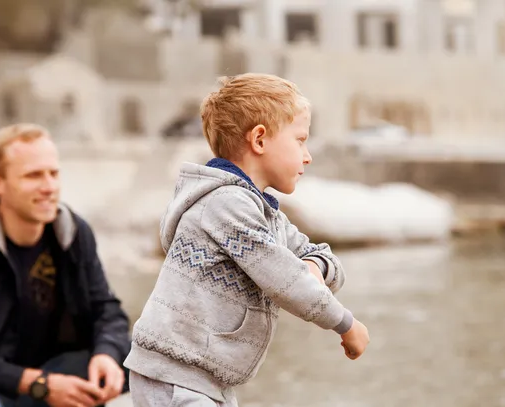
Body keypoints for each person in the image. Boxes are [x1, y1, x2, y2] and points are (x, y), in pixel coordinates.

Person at [124, 73, 370, 407]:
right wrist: (345, 324)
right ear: (259, 140)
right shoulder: (226, 205)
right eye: (300, 140)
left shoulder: (264, 214)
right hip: (174, 374)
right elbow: (285, 281)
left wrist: (312, 267)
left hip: (211, 379)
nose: (307, 155)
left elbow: (321, 257)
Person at [0, 124, 131, 407]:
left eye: (54, 173)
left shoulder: (72, 233)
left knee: (143, 355)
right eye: (33, 175)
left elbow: (106, 310)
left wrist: (107, 355)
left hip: (53, 373)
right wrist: (36, 384)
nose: (49, 187)